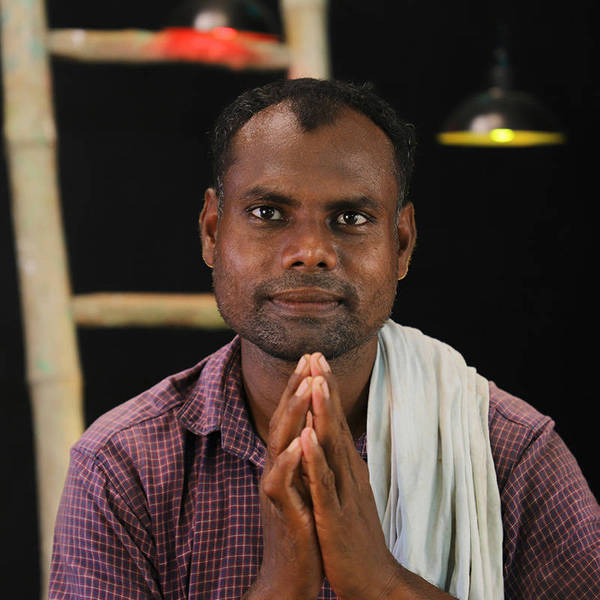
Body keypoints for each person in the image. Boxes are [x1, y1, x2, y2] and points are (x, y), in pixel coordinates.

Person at [49, 78, 599, 600]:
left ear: (401, 244)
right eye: (267, 213)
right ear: (212, 232)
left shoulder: (508, 453)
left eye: (351, 218)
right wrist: (282, 583)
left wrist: (381, 583)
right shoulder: (125, 465)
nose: (311, 251)